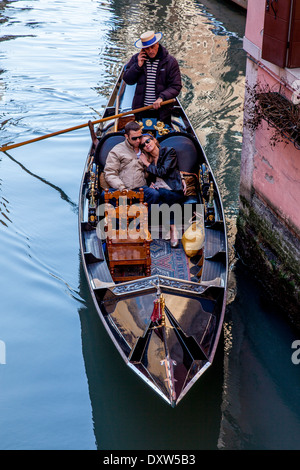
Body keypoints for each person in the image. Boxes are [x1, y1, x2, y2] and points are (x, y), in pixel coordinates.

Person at [123, 31, 182, 124]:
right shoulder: (136, 59)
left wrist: (161, 98)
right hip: (141, 110)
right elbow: (128, 80)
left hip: (162, 112)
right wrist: (138, 66)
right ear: (143, 49)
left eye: (152, 47)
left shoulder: (170, 61)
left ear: (157, 44)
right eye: (147, 48)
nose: (150, 51)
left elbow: (176, 86)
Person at [139, 134, 184, 247]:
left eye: (148, 141)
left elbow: (163, 171)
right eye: (143, 145)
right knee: (155, 195)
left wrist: (146, 164)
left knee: (159, 195)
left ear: (154, 140)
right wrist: (151, 184)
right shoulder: (150, 159)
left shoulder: (169, 151)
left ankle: (173, 230)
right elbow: (149, 178)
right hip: (160, 190)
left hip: (173, 190)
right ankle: (171, 227)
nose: (146, 144)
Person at [103, 121, 160, 207]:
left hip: (140, 189)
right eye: (134, 138)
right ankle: (120, 219)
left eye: (139, 137)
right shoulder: (117, 150)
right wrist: (122, 188)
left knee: (155, 195)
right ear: (126, 136)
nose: (138, 141)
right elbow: (110, 173)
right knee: (103, 196)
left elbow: (158, 161)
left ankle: (143, 219)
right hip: (122, 188)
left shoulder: (145, 147)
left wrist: (152, 182)